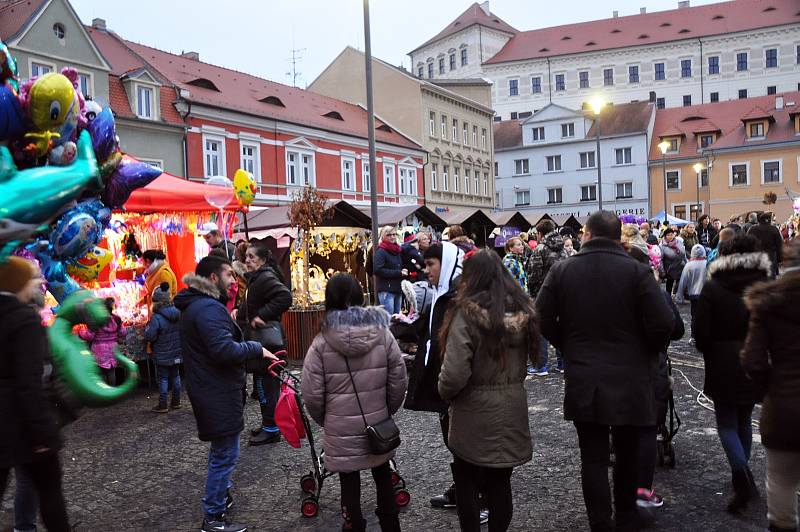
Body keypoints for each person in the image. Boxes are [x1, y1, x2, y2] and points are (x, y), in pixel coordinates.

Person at [536, 211, 674, 532]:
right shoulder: (637, 271)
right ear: (618, 237)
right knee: (627, 453)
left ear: (586, 234)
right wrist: (646, 351)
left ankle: (601, 522)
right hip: (632, 375)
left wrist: (568, 345)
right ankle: (626, 514)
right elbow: (664, 323)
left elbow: (540, 317)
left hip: (585, 374)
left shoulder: (562, 270)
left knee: (594, 458)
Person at [174, 255, 279, 532]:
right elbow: (224, 350)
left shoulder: (202, 305)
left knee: (221, 450)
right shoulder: (207, 308)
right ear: (212, 278)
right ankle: (214, 517)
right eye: (229, 275)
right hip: (216, 392)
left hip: (213, 389)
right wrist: (256, 349)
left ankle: (221, 495)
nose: (234, 281)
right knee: (225, 454)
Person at [438, 249, 537, 532]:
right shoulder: (522, 311)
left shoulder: (466, 314)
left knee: (467, 482)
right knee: (500, 482)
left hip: (473, 411)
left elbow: (454, 373)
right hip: (511, 406)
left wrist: (444, 392)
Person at [302, 273, 407, 532]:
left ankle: (355, 525)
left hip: (340, 428)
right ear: (361, 298)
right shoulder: (382, 334)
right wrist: (385, 411)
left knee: (349, 484)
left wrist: (329, 419)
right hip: (378, 424)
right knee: (383, 478)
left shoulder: (320, 343)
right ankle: (391, 526)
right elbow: (398, 380)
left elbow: (312, 394)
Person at [692, 234, 770, 514]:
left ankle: (742, 476)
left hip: (722, 359)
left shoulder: (714, 287)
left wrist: (710, 349)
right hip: (754, 356)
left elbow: (701, 332)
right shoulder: (764, 284)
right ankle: (744, 472)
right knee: (744, 419)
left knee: (726, 423)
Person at [0, 257, 70, 531]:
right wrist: (43, 432)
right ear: (18, 283)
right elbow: (29, 382)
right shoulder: (24, 319)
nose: (40, 282)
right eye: (33, 278)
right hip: (23, 426)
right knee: (50, 495)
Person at [404, 242, 469, 514]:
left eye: (431, 264)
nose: (426, 269)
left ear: (449, 264)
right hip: (444, 381)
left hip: (457, 385)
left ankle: (477, 496)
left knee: (464, 443)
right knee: (452, 440)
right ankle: (462, 489)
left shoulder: (459, 297)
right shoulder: (442, 293)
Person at [740, 241, 800, 532]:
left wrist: (773, 388)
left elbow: (752, 361)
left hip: (784, 406)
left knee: (782, 480)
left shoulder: (768, 301)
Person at [235, 242, 292, 446]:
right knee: (262, 385)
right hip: (260, 341)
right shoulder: (256, 278)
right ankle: (269, 425)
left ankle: (272, 429)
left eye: (252, 257)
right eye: (246, 257)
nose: (247, 260)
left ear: (263, 260)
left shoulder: (265, 277)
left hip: (268, 342)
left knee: (266, 385)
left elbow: (285, 297)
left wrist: (262, 315)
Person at [528, 219, 569, 376]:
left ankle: (540, 365)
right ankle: (562, 363)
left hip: (543, 293)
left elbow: (533, 275)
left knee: (541, 327)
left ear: (540, 233)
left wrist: (532, 294)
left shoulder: (540, 249)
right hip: (563, 293)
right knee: (561, 325)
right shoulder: (563, 247)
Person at [145, 282, 183, 413]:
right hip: (177, 352)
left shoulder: (156, 317)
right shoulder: (178, 312)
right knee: (176, 376)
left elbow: (150, 336)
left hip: (162, 354)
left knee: (163, 378)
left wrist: (147, 329)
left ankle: (163, 405)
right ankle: (176, 402)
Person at [79, 297, 126, 386]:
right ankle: (112, 392)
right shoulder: (117, 319)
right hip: (113, 349)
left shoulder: (96, 320)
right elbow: (123, 332)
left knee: (100, 373)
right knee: (111, 372)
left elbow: (89, 336)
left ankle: (104, 392)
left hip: (99, 350)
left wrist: (81, 332)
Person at [373, 226, 407, 315]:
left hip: (397, 288)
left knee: (397, 318)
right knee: (389, 320)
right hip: (386, 290)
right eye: (389, 235)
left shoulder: (397, 250)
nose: (392, 237)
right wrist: (399, 272)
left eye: (394, 234)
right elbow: (378, 270)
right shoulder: (381, 251)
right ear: (383, 236)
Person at [675, 244, 708, 320]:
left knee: (694, 315)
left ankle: (694, 330)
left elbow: (683, 281)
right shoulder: (707, 263)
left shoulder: (688, 265)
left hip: (693, 294)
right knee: (705, 315)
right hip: (706, 293)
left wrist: (679, 297)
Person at [747, 212, 783, 277]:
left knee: (757, 276)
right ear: (769, 220)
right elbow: (779, 245)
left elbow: (747, 243)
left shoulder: (752, 229)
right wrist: (779, 259)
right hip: (770, 256)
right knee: (770, 276)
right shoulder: (774, 229)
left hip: (756, 256)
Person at [659, 228, 686, 296]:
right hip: (670, 269)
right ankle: (668, 298)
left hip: (680, 266)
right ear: (665, 236)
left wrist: (686, 263)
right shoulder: (662, 246)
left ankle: (677, 296)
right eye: (668, 235)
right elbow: (660, 259)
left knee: (679, 284)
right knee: (669, 285)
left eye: (671, 234)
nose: (670, 236)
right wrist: (662, 271)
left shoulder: (678, 242)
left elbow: (684, 254)